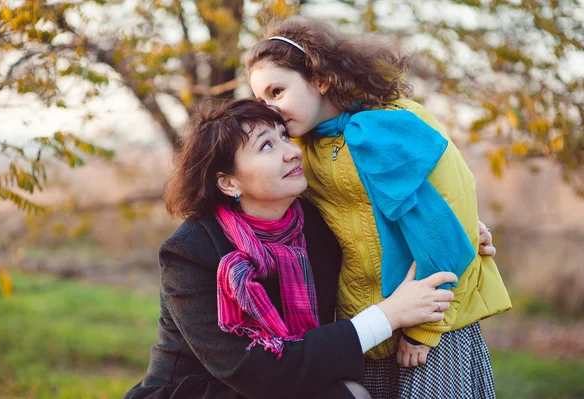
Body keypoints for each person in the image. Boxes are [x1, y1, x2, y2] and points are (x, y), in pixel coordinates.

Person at [124, 99, 462, 399]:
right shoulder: (190, 251)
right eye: (267, 146)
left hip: (292, 379)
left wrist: (466, 230)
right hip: (206, 390)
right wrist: (388, 317)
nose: (293, 151)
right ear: (228, 182)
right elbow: (253, 370)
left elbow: (376, 232)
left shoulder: (314, 223)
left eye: (284, 136)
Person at [246, 17, 511, 398]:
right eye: (261, 100)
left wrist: (423, 330)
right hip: (369, 324)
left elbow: (443, 224)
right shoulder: (300, 150)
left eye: (277, 91)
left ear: (320, 80)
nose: (270, 107)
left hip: (432, 324)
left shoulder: (389, 125)